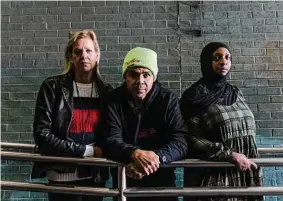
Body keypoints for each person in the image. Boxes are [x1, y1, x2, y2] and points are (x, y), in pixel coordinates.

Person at [31, 30, 112, 201]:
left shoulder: (107, 92)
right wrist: (86, 150)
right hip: (61, 178)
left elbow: (111, 133)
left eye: (89, 51)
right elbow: (42, 135)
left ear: (97, 55)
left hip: (95, 176)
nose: (84, 56)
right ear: (70, 57)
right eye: (78, 51)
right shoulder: (52, 87)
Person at [101, 47, 188, 201]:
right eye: (133, 74)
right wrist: (134, 153)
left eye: (146, 75)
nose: (140, 81)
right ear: (125, 76)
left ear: (153, 77)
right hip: (125, 185)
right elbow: (110, 140)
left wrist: (154, 159)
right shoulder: (113, 101)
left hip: (162, 186)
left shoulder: (168, 100)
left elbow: (180, 142)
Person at [180, 42, 263, 201]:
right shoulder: (194, 97)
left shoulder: (235, 92)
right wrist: (230, 155)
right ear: (206, 61)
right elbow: (190, 138)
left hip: (245, 173)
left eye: (227, 58)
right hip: (215, 176)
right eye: (216, 58)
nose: (223, 62)